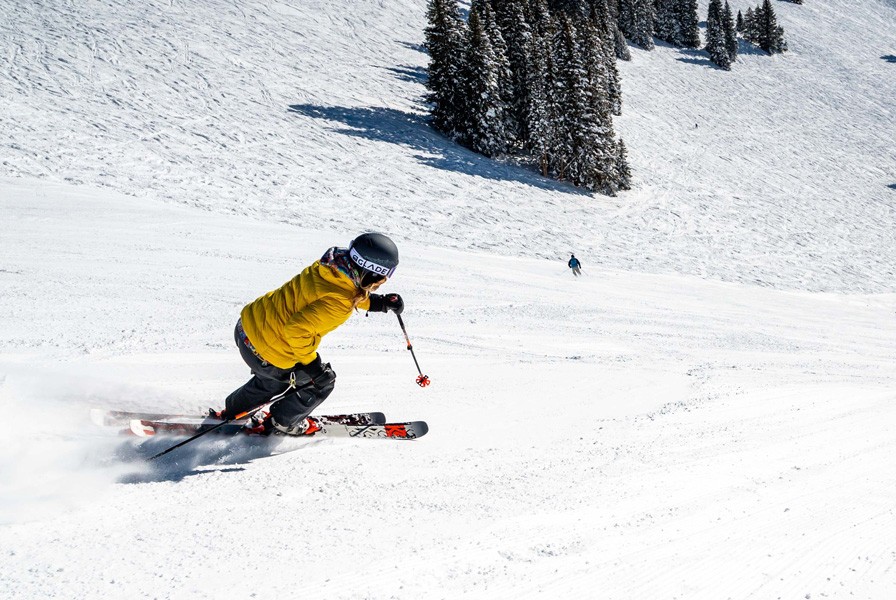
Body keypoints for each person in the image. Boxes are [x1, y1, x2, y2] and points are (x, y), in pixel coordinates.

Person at [211, 232, 404, 435]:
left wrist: (379, 303)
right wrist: (315, 368)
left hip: (247, 330)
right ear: (371, 272)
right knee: (320, 383)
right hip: (268, 351)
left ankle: (233, 413)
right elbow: (297, 330)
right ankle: (282, 423)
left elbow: (336, 293)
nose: (382, 282)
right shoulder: (341, 303)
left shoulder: (330, 266)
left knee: (272, 381)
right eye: (384, 276)